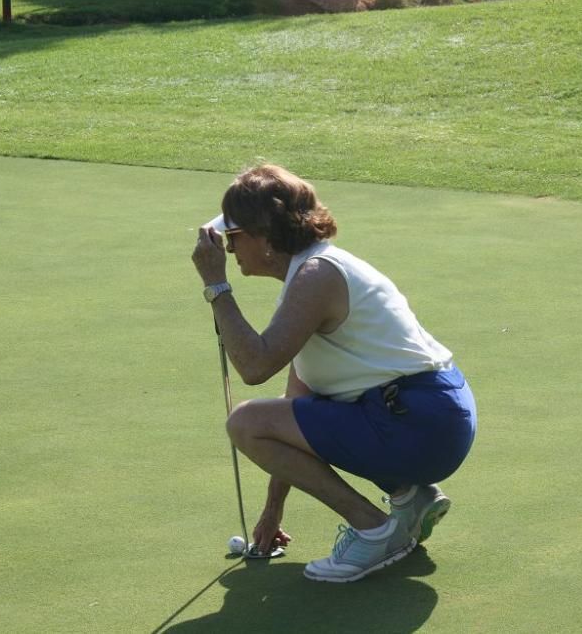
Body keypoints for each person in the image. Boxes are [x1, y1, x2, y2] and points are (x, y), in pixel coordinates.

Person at [192, 164, 477, 583]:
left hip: (420, 422)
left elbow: (254, 368)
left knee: (244, 423)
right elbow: (293, 412)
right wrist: (272, 512)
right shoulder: (309, 276)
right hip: (428, 417)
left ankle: (374, 529)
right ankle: (410, 498)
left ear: (265, 236)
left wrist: (216, 285)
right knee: (282, 416)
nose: (229, 251)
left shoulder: (316, 276)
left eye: (233, 239)